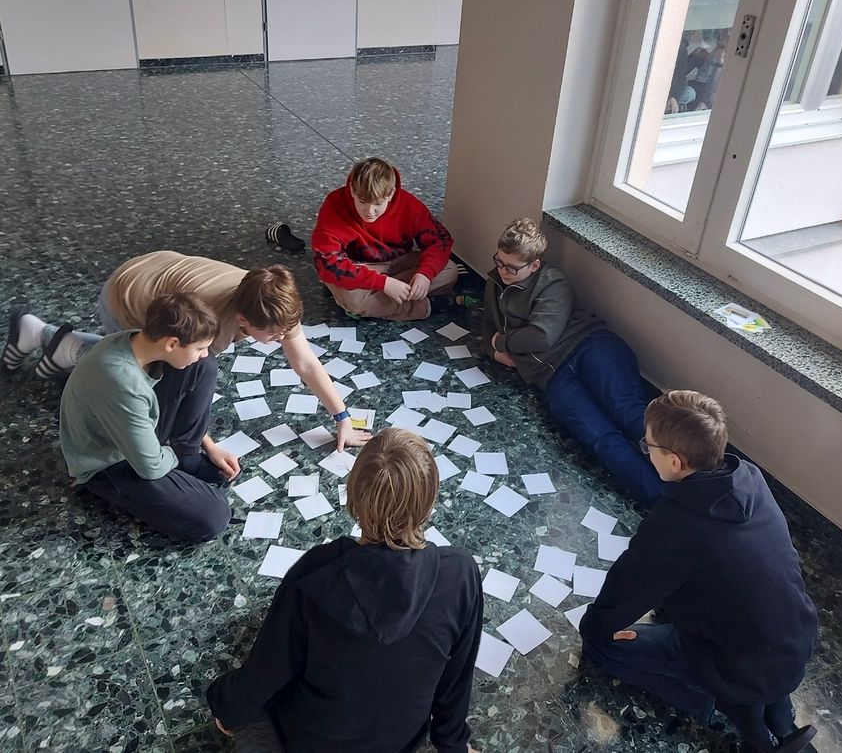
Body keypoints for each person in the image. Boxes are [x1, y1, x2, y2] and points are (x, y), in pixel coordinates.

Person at [206, 428, 484, 753]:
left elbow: (266, 670)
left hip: (311, 741)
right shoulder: (462, 573)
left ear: (353, 495)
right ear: (429, 501)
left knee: (252, 704)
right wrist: (453, 745)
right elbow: (456, 678)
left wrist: (224, 704)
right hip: (401, 743)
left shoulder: (316, 573)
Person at [580, 391, 818, 753]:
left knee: (603, 650)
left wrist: (594, 629)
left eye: (649, 446)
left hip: (734, 666)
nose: (646, 450)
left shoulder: (676, 526)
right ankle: (777, 718)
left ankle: (722, 706)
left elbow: (624, 591)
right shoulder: (749, 476)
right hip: (794, 641)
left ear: (674, 461)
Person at [2, 252, 370, 451]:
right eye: (273, 336)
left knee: (177, 360)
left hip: (157, 274)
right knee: (138, 371)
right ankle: (59, 344)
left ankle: (43, 336)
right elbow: (171, 365)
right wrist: (202, 443)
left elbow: (304, 362)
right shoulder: (212, 321)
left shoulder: (273, 304)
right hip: (127, 297)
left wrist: (342, 419)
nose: (280, 340)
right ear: (243, 321)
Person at [482, 218, 661, 504]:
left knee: (630, 415)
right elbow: (484, 323)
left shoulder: (553, 282)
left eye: (512, 268)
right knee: (600, 438)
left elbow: (541, 337)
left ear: (534, 265)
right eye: (500, 262)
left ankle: (692, 479)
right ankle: (663, 501)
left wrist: (501, 342)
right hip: (552, 377)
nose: (503, 271)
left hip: (590, 346)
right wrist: (493, 352)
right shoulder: (495, 281)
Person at [60, 293, 237, 543]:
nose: (205, 352)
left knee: (202, 367)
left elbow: (143, 408)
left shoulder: (136, 340)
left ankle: (184, 458)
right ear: (172, 344)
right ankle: (178, 461)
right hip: (107, 462)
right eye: (200, 347)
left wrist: (207, 444)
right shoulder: (122, 384)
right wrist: (177, 453)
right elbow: (150, 466)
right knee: (214, 516)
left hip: (134, 428)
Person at [311, 156, 465, 320]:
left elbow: (440, 240)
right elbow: (327, 263)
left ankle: (378, 301)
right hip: (357, 266)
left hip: (397, 262)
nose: (369, 211)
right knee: (354, 299)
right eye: (362, 202)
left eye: (378, 204)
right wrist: (384, 284)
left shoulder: (409, 205)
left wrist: (425, 274)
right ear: (352, 190)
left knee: (449, 270)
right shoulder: (334, 204)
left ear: (391, 194)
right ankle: (428, 306)